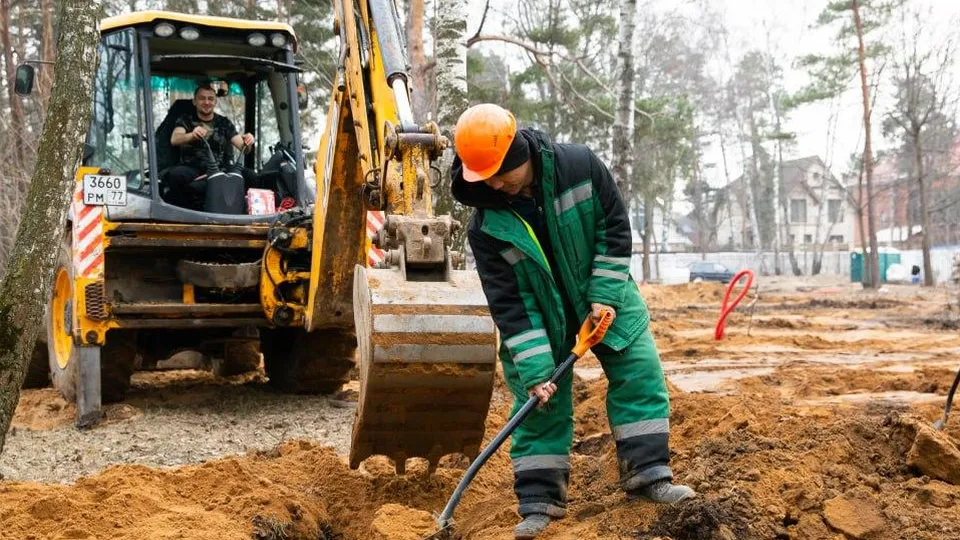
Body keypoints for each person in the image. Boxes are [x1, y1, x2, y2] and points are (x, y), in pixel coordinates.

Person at [451, 104, 695, 539]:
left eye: (500, 173)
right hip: (539, 319)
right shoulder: (485, 225)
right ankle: (539, 505)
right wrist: (536, 371)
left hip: (607, 297)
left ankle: (650, 477)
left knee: (639, 375)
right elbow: (509, 303)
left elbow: (615, 231)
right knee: (539, 405)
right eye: (483, 176)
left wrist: (603, 297)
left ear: (520, 153)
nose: (493, 184)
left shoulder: (580, 166)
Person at [166, 83, 257, 210]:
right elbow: (175, 139)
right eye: (202, 98)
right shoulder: (185, 120)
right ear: (194, 101)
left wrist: (249, 141)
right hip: (193, 169)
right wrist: (192, 135)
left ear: (215, 102)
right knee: (175, 175)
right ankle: (183, 214)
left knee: (251, 176)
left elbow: (244, 149)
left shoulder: (224, 122)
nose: (206, 102)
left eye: (210, 99)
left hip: (220, 169)